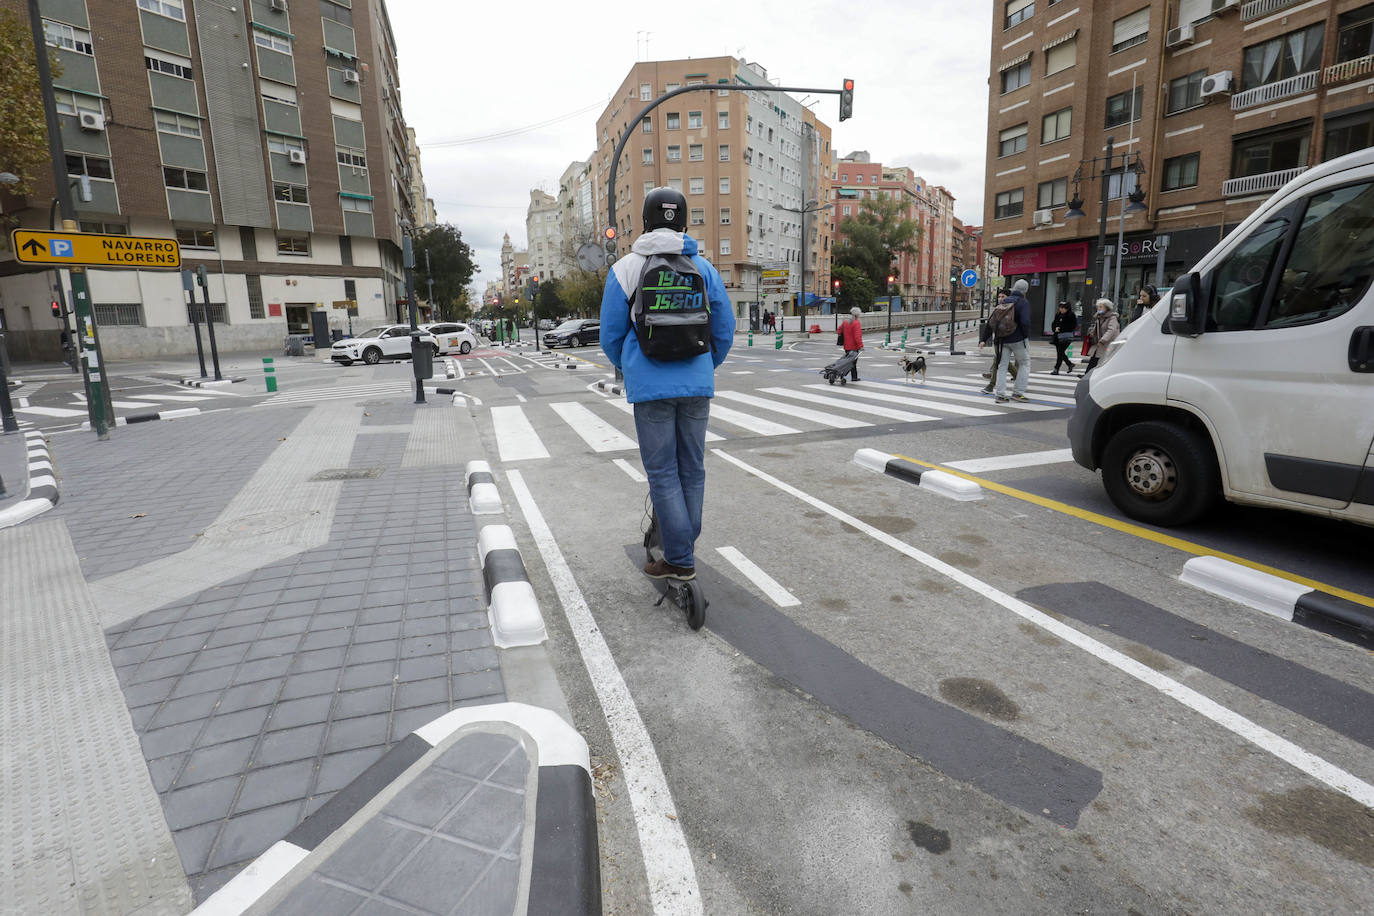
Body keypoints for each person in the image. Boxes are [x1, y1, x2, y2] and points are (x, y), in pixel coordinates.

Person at [600, 187, 735, 581]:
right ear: (685, 222)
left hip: (650, 386)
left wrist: (632, 366)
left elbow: (610, 335)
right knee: (692, 469)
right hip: (696, 384)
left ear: (645, 222)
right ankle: (684, 543)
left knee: (662, 473)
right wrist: (705, 366)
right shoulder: (705, 269)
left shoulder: (625, 269)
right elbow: (723, 331)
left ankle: (679, 556)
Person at [993, 278, 1032, 403]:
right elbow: (1025, 322)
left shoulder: (1005, 301)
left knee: (1002, 366)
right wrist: (1025, 336)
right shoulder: (1023, 302)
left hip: (1003, 339)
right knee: (1024, 364)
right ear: (1025, 291)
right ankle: (1018, 393)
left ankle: (1000, 394)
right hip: (1018, 339)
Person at [1084, 297, 1120, 373]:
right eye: (1098, 307)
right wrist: (1092, 333)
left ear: (1107, 308)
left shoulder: (1112, 318)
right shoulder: (1099, 317)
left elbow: (1111, 330)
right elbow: (1097, 327)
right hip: (1099, 342)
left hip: (1107, 343)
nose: (1098, 308)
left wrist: (1103, 340)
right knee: (1094, 358)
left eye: (1101, 307)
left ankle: (1090, 375)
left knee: (1102, 361)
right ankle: (1087, 374)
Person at [1050, 301, 1078, 375]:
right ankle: (1069, 364)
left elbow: (1073, 326)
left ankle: (1056, 369)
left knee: (1060, 353)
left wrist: (1061, 328)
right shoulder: (1058, 314)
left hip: (1066, 337)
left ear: (1067, 308)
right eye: (1060, 307)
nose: (1062, 309)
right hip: (1057, 337)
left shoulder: (1071, 315)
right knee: (1060, 352)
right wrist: (1055, 328)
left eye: (1064, 308)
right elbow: (1054, 323)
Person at [839, 306, 864, 381]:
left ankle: (850, 376)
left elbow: (839, 330)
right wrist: (861, 346)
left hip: (846, 346)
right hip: (854, 347)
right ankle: (850, 376)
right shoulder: (856, 323)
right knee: (852, 363)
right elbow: (857, 337)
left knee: (848, 362)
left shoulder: (845, 322)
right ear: (857, 315)